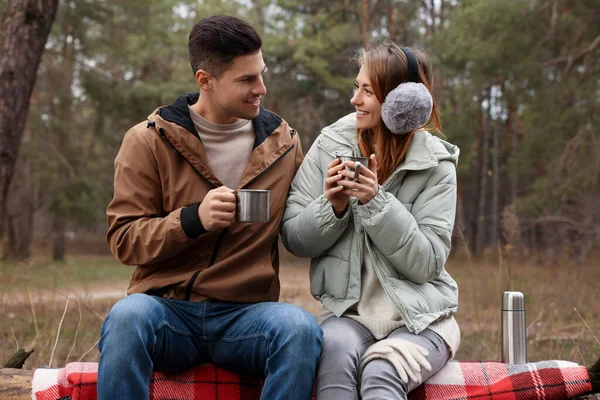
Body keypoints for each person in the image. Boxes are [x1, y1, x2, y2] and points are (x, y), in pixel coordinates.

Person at [99, 15, 321, 400]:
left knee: (299, 328)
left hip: (246, 317)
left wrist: (333, 205)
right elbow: (123, 240)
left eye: (261, 74)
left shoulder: (283, 145)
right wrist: (191, 221)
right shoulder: (148, 141)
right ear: (205, 80)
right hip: (167, 311)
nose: (261, 89)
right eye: (246, 80)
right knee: (126, 317)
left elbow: (301, 228)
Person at [281, 41, 461, 400]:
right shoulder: (330, 144)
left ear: (401, 102)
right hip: (347, 317)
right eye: (355, 87)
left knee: (381, 373)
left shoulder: (436, 165)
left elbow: (426, 262)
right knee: (333, 362)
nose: (355, 99)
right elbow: (294, 238)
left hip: (422, 320)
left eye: (367, 91)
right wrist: (330, 207)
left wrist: (377, 202)